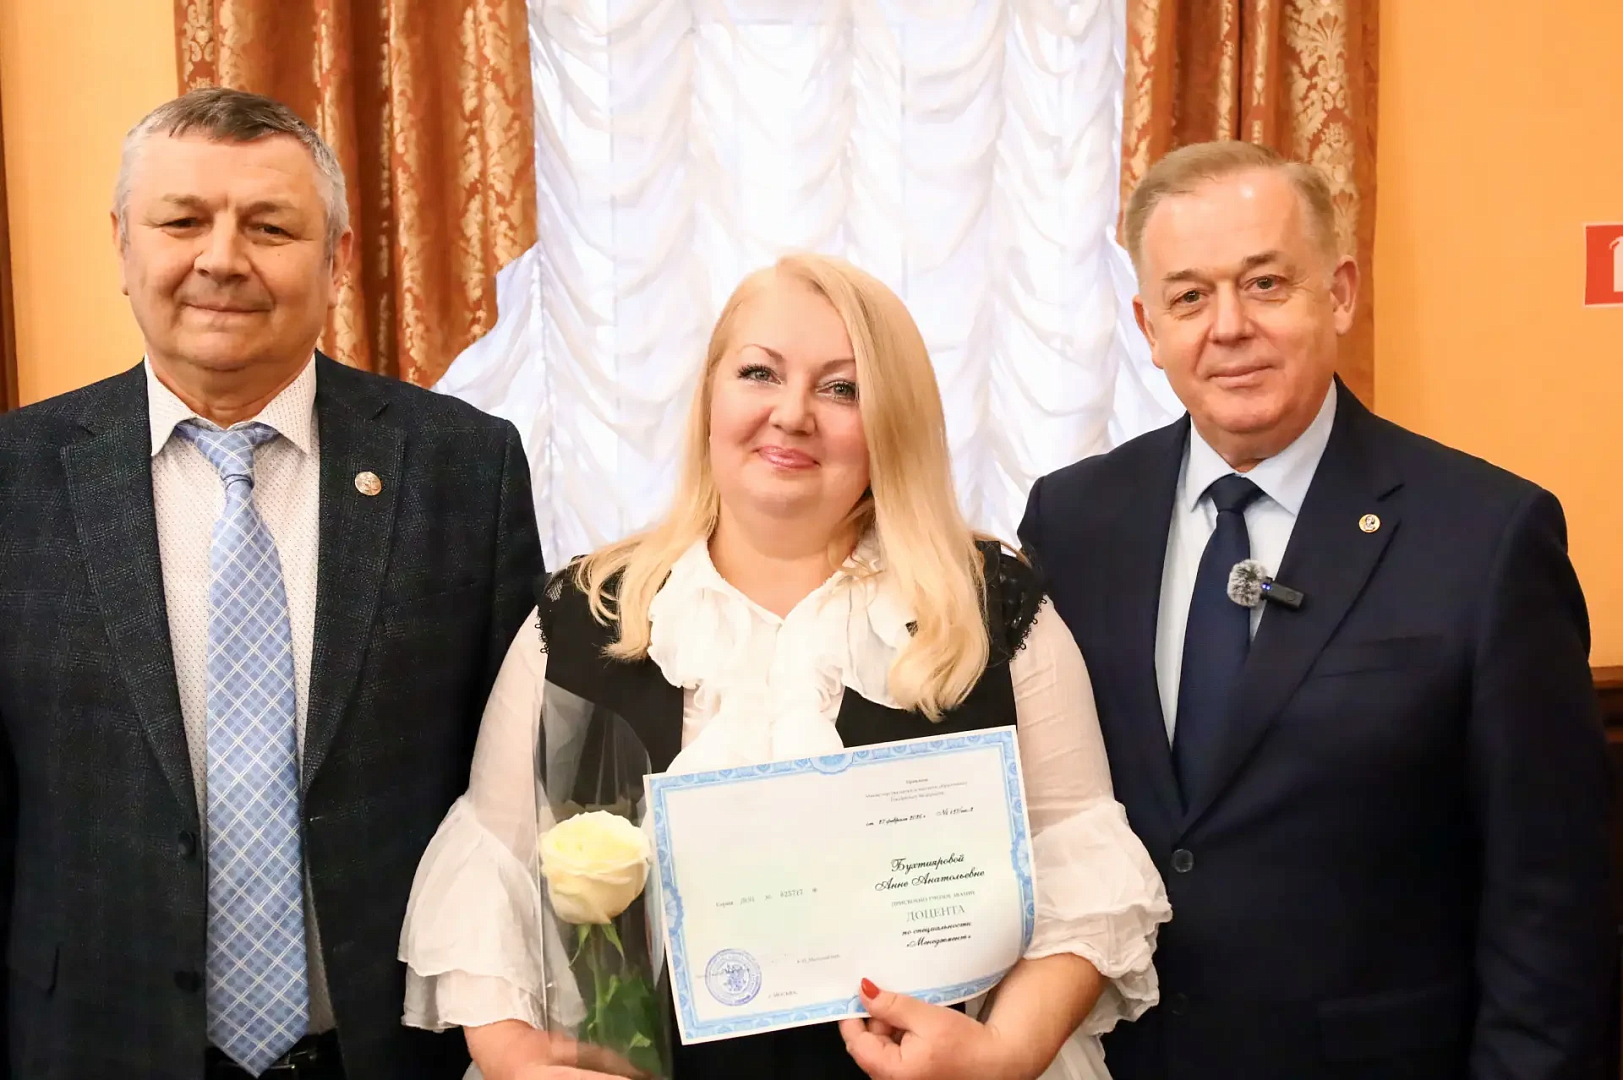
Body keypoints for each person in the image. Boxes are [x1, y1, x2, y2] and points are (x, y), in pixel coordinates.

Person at [397, 252, 1172, 1080]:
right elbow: (493, 862)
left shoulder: (994, 610)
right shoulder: (582, 610)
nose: (792, 413)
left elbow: (1080, 861)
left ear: (894, 421)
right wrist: (515, 1059)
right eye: (758, 373)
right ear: (710, 397)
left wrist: (1003, 1055)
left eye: (841, 388)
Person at [1019, 140, 1615, 1079]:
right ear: (1148, 326)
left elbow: (1552, 899)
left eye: (1264, 284)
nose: (1228, 327)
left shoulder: (1487, 536)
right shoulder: (1072, 521)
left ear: (1337, 293)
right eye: (1188, 297)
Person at [0, 88, 542, 1078]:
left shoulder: (466, 468)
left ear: (335, 258)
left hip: (392, 1050)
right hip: (92, 1046)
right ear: (121, 243)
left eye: (269, 227)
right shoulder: (16, 479)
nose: (221, 258)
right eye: (182, 222)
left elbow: (516, 792)